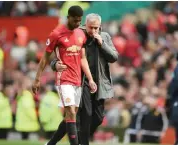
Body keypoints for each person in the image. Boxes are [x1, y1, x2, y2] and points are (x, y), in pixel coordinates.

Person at [32, 6, 97, 145]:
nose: (77, 24)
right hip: (64, 79)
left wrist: (90, 79)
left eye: (80, 21)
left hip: (77, 80)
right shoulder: (56, 33)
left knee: (71, 115)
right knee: (71, 113)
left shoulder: (80, 34)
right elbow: (45, 58)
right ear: (68, 17)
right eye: (75, 21)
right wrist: (37, 79)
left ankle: (50, 144)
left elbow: (82, 58)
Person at [50, 13, 118, 145]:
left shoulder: (105, 37)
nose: (93, 31)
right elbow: (59, 55)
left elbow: (114, 57)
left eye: (96, 28)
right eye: (90, 27)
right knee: (84, 115)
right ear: (85, 25)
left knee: (97, 118)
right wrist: (55, 65)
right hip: (80, 81)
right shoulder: (76, 36)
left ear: (100, 27)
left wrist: (102, 44)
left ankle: (53, 142)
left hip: (99, 83)